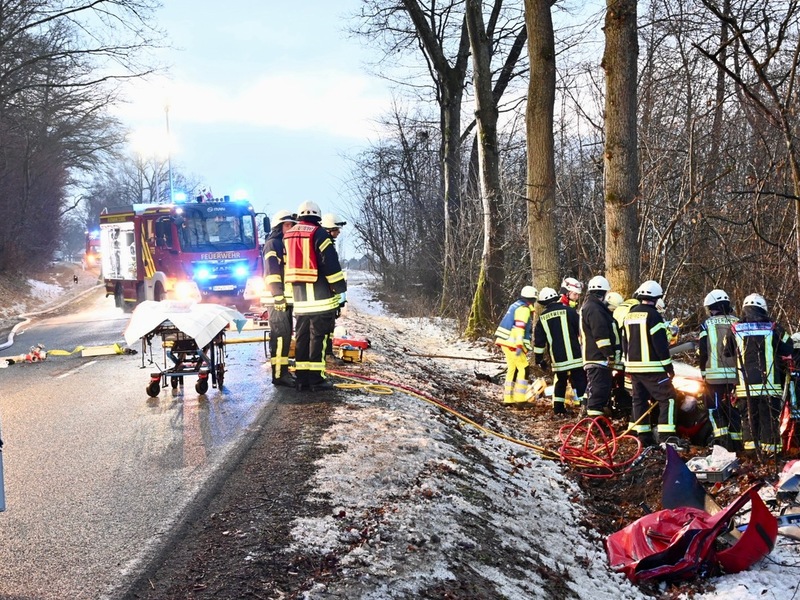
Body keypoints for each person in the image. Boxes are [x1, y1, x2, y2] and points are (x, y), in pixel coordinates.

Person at [284, 201, 347, 392]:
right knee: (317, 339)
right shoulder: (319, 234)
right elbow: (330, 264)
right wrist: (339, 287)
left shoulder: (289, 235)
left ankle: (302, 379)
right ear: (317, 216)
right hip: (320, 298)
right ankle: (317, 380)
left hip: (300, 300)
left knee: (302, 338)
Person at [724, 293, 792, 456]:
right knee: (769, 419)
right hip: (769, 385)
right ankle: (771, 456)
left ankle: (752, 454)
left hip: (744, 385)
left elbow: (726, 352)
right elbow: (788, 348)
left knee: (748, 420)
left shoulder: (734, 328)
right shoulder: (774, 327)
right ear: (763, 309)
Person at [622, 280, 677, 446]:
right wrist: (668, 367)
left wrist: (627, 364)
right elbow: (659, 344)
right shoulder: (654, 316)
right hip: (653, 368)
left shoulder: (629, 315)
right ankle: (666, 436)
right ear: (655, 298)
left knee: (639, 400)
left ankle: (643, 436)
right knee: (669, 398)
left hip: (633, 368)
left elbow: (625, 342)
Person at [697, 289, 741, 449]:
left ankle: (721, 442)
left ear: (712, 307)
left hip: (714, 377)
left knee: (714, 408)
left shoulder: (706, 324)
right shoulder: (738, 322)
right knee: (734, 409)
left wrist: (703, 372)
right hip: (736, 378)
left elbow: (703, 351)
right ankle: (737, 443)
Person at [534, 287, 586, 415]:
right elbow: (580, 330)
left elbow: (539, 341)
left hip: (558, 358)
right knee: (580, 379)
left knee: (561, 381)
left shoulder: (543, 318)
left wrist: (539, 359)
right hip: (575, 355)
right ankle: (586, 407)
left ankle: (558, 409)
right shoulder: (570, 311)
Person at [263, 210, 297, 387]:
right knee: (280, 336)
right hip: (276, 300)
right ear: (278, 227)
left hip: (285, 298)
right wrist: (277, 295)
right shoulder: (273, 244)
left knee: (285, 335)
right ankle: (279, 375)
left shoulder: (284, 244)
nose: (290, 228)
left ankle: (283, 373)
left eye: (292, 225)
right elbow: (272, 272)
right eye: (286, 225)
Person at [581, 276, 621, 417]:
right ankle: (595, 425)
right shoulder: (595, 309)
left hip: (595, 357)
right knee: (598, 393)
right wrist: (609, 354)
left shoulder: (591, 307)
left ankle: (591, 421)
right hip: (598, 358)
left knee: (597, 390)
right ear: (602, 293)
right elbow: (601, 334)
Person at [494, 286, 538, 405]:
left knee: (512, 369)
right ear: (532, 299)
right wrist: (519, 344)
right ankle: (520, 399)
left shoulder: (515, 305)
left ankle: (508, 399)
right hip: (513, 344)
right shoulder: (524, 309)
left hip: (505, 342)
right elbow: (519, 327)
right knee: (524, 368)